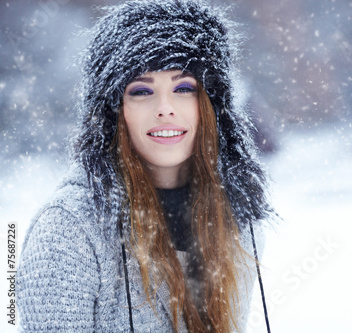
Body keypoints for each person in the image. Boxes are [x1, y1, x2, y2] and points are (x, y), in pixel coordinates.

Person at [17, 0, 275, 332]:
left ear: (212, 106)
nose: (165, 108)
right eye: (141, 91)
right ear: (113, 112)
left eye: (184, 88)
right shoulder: (68, 233)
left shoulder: (236, 224)